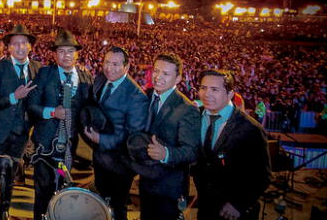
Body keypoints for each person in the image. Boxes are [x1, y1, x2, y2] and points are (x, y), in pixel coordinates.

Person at [27, 29, 93, 220]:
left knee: (62, 190)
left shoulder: (84, 77)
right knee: (43, 190)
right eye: (62, 51)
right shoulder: (44, 74)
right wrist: (52, 112)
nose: (66, 55)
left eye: (70, 51)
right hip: (45, 145)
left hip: (68, 147)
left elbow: (88, 110)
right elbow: (32, 105)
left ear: (77, 54)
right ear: (54, 54)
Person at [0, 24, 40, 220]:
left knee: (11, 175)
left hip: (20, 134)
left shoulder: (38, 69)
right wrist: (13, 97)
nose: (20, 47)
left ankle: (4, 209)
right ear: (9, 47)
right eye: (15, 44)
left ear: (30, 46)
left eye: (24, 43)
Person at [192, 69, 271, 220]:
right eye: (203, 88)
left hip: (234, 213)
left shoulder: (251, 129)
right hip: (205, 206)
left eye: (214, 89)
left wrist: (239, 203)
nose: (206, 94)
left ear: (230, 94)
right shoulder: (196, 116)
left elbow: (262, 176)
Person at [82, 46, 148, 220]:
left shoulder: (136, 96)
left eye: (116, 64)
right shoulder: (101, 79)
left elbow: (133, 136)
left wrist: (101, 139)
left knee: (117, 209)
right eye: (107, 62)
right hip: (100, 159)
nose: (110, 67)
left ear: (126, 67)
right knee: (101, 204)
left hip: (120, 164)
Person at [139, 53, 201, 220]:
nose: (158, 77)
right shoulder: (147, 97)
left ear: (178, 78)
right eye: (156, 71)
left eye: (166, 74)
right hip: (145, 183)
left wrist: (166, 153)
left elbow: (192, 151)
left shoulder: (187, 109)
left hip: (169, 190)